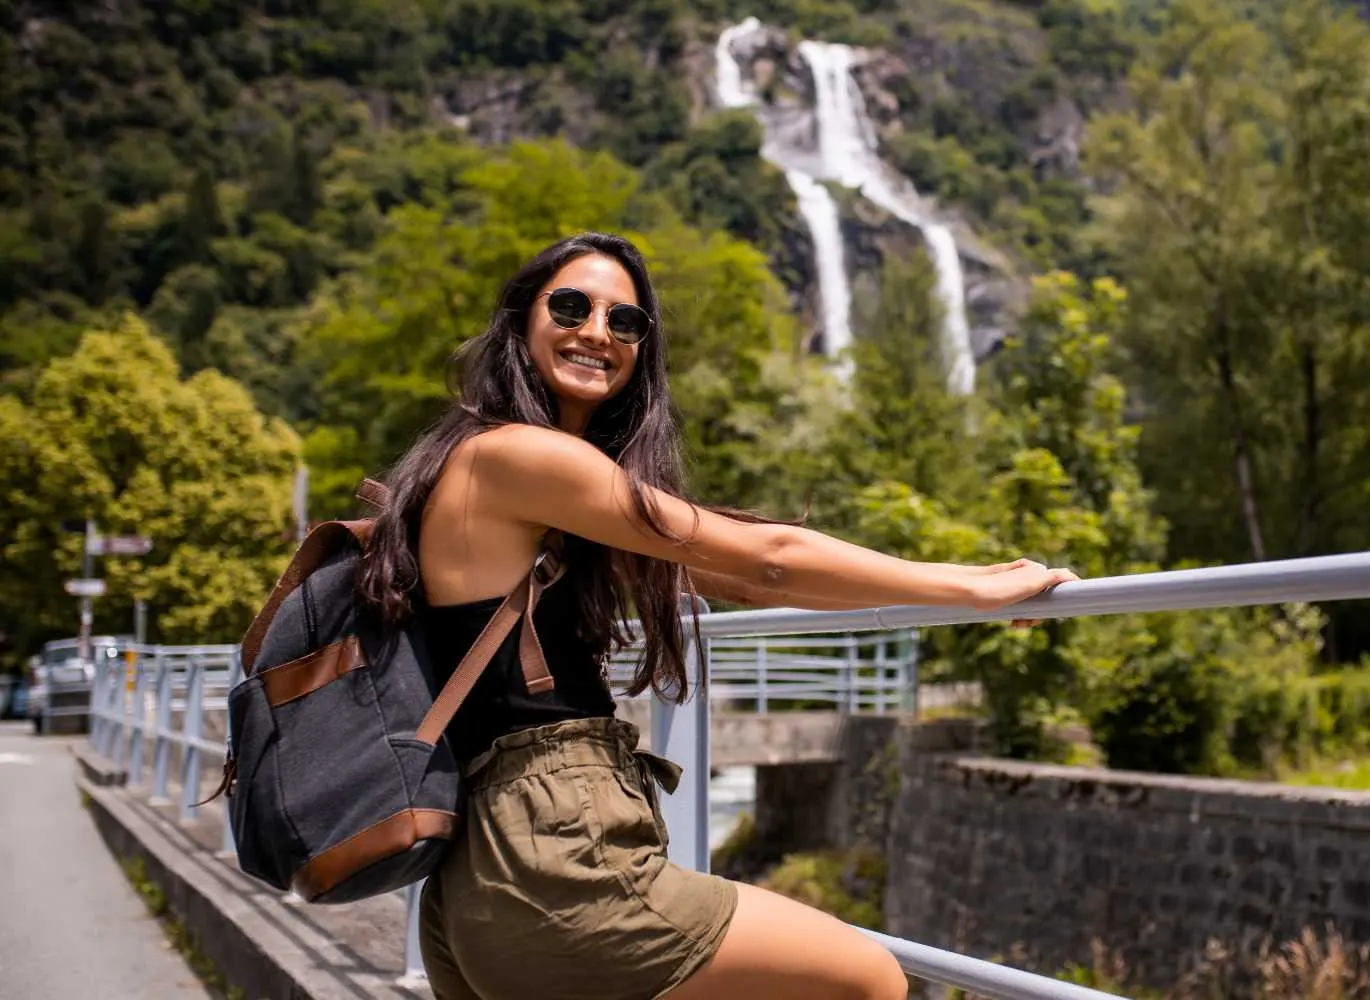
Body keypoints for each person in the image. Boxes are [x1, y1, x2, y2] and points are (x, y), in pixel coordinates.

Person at [355, 232, 1077, 1000]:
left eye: (625, 321)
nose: (598, 330)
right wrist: (973, 588)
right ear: (521, 321)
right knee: (870, 979)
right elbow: (766, 554)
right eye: (571, 306)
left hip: (478, 878)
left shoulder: (506, 472)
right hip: (554, 856)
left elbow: (751, 582)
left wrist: (950, 592)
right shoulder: (521, 457)